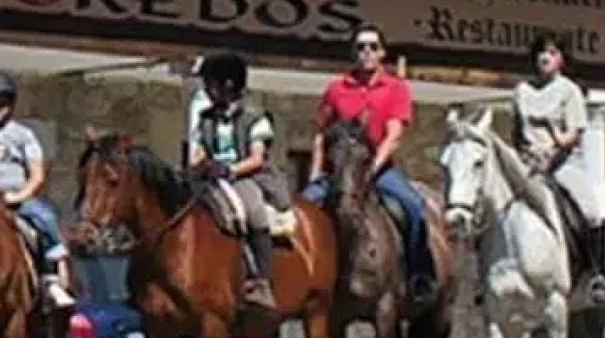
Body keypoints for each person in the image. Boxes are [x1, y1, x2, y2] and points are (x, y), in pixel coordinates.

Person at [302, 25, 438, 299]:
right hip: (338, 170)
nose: (366, 52)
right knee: (299, 212)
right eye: (360, 47)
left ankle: (418, 275)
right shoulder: (337, 89)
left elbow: (394, 136)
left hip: (378, 170)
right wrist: (315, 175)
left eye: (373, 47)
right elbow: (321, 135)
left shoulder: (395, 88)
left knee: (414, 208)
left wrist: (373, 169)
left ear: (382, 53)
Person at [0, 72, 73, 309]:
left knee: (45, 218)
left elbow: (37, 175)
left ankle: (51, 279)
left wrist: (19, 196)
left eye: (1, 102)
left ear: (11, 104)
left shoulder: (23, 135)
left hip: (14, 197)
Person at [513, 34, 605, 302]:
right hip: (528, 164)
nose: (544, 58)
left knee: (591, 211)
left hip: (562, 164)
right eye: (540, 53)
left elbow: (574, 135)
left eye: (551, 53)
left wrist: (554, 151)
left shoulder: (569, 91)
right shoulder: (522, 91)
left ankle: (598, 274)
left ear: (561, 59)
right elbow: (516, 132)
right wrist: (523, 158)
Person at [187, 54, 284, 318]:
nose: (206, 90)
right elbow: (198, 151)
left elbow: (256, 158)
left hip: (245, 177)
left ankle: (262, 282)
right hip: (210, 178)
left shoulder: (255, 117)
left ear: (228, 85)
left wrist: (229, 170)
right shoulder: (205, 118)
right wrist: (200, 166)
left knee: (253, 213)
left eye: (210, 84)